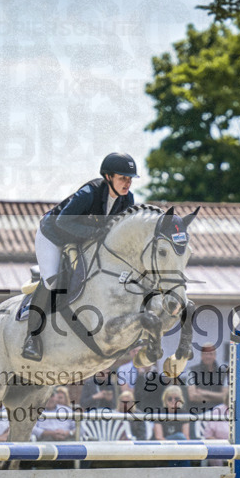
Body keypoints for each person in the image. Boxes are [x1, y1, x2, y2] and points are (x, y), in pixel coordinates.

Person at [22, 152, 139, 361]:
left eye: (130, 179)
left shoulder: (127, 199)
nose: (127, 183)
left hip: (82, 240)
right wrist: (94, 233)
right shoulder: (88, 193)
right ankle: (32, 337)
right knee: (52, 282)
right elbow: (62, 222)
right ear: (108, 177)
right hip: (53, 235)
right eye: (122, 178)